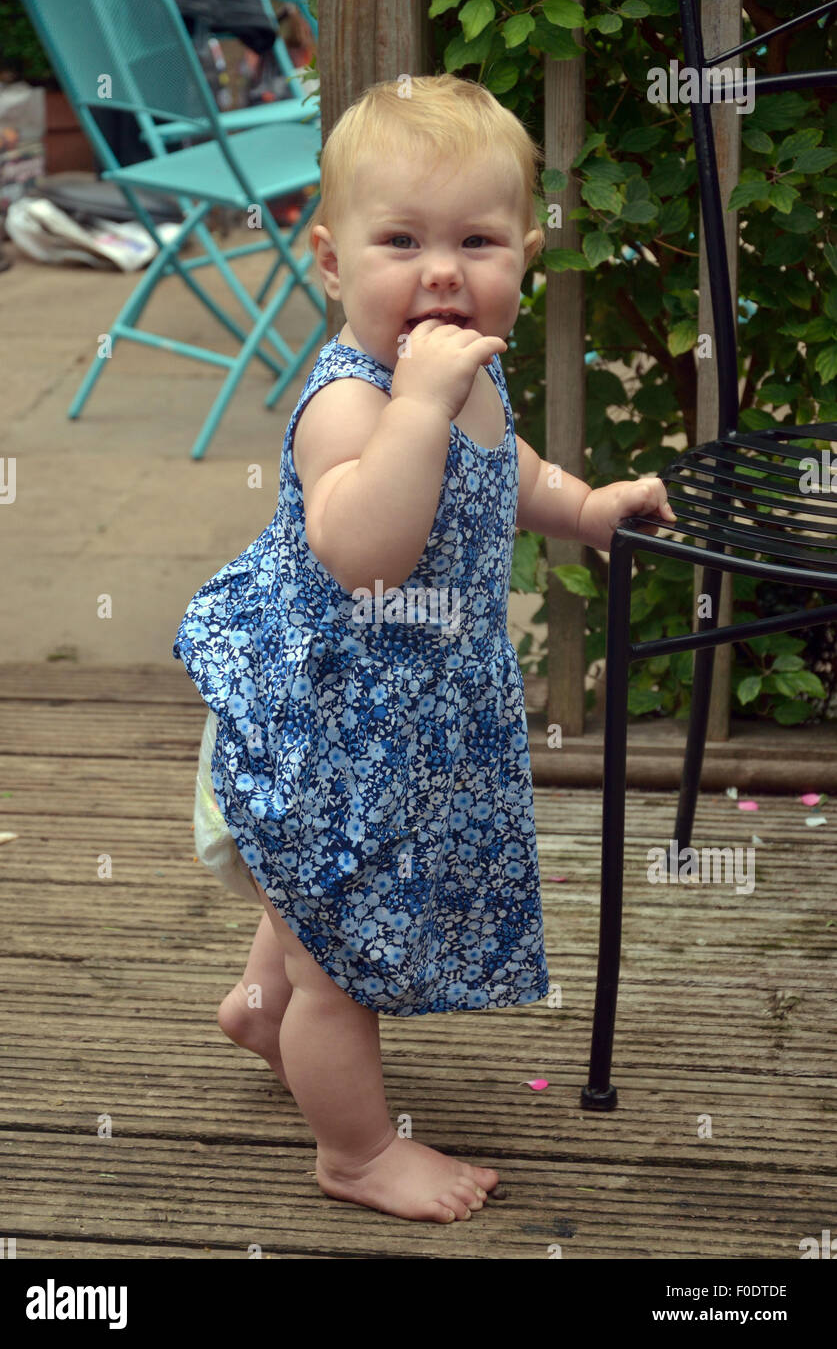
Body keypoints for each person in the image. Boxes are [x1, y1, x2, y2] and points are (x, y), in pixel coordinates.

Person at [172, 73, 676, 1224]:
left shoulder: (468, 380)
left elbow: (513, 478)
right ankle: (352, 1149)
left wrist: (587, 506)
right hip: (322, 731)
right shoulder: (356, 406)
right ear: (333, 264)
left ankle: (259, 1004)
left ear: (525, 257)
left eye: (478, 240)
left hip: (402, 728)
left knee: (319, 904)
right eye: (401, 239)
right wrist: (416, 409)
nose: (442, 270)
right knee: (340, 966)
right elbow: (365, 550)